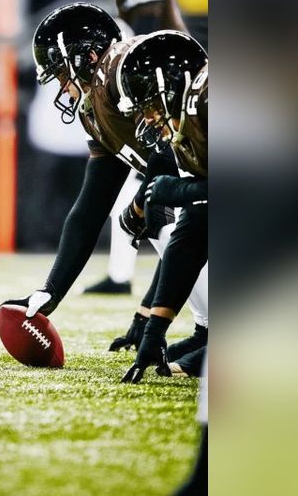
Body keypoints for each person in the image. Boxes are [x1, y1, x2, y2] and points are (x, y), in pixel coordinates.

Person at [0, 4, 208, 346]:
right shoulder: (96, 107)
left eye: (62, 74)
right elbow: (91, 206)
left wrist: (146, 201)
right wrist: (51, 291)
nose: (62, 87)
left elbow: (169, 157)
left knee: (156, 207)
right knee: (152, 209)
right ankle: (204, 329)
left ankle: (209, 330)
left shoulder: (121, 70)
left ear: (89, 57)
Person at [69, 0, 195, 299]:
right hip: (162, 96)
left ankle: (186, 289)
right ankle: (123, 276)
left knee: (164, 198)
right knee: (136, 197)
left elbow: (144, 45)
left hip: (175, 97)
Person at [111, 33, 208, 384]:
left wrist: (182, 189)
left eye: (150, 104)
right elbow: (195, 228)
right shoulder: (189, 125)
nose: (149, 118)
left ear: (172, 88)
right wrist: (154, 329)